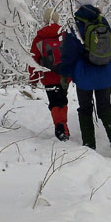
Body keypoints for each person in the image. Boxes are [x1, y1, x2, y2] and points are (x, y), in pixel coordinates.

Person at [59, 0, 111, 157]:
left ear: (77, 5)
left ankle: (89, 146)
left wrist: (68, 73)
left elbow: (68, 54)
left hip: (84, 76)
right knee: (105, 107)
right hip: (104, 74)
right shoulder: (102, 20)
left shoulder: (74, 24)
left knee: (85, 109)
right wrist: (107, 64)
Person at [29, 8, 71, 141]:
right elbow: (72, 55)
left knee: (54, 102)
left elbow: (33, 59)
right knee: (62, 101)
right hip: (64, 76)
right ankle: (64, 127)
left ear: (45, 19)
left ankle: (60, 127)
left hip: (48, 77)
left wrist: (34, 78)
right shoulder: (64, 35)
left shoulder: (40, 37)